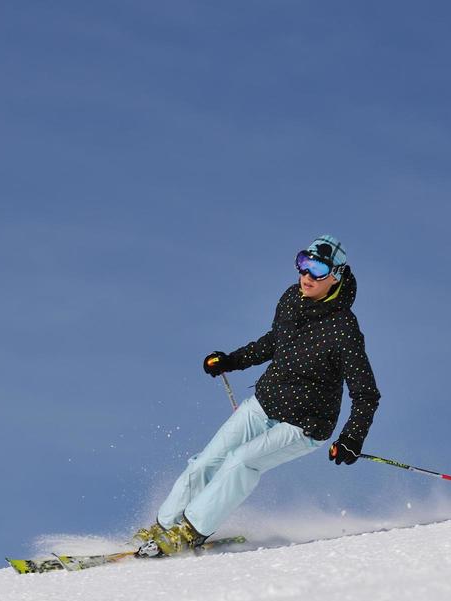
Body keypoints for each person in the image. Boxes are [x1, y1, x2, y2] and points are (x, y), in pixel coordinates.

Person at [135, 234, 381, 556]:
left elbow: (366, 393)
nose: (306, 275)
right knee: (205, 462)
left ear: (335, 274)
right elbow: (273, 342)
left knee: (241, 462)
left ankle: (190, 532)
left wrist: (352, 437)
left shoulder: (343, 327)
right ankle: (164, 527)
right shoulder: (291, 298)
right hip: (264, 404)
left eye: (317, 269)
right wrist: (231, 361)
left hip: (304, 425)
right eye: (303, 264)